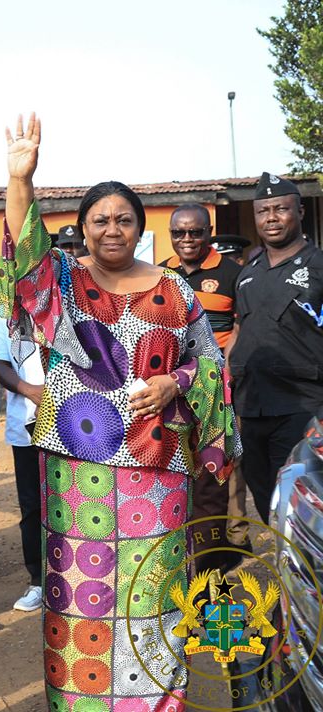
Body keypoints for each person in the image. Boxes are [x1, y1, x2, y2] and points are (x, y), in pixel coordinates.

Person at [0, 114, 239, 710]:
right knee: (83, 596)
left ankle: (156, 700)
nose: (111, 229)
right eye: (98, 220)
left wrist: (173, 382)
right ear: (79, 231)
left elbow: (212, 367)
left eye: (123, 219)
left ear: (139, 227)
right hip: (79, 475)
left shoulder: (176, 292)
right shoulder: (64, 285)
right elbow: (23, 260)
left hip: (157, 473)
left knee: (150, 594)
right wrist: (20, 180)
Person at [228, 172, 323, 523]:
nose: (271, 217)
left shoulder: (318, 266)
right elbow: (240, 329)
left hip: (303, 404)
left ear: (299, 211)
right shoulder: (248, 271)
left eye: (280, 208)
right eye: (263, 210)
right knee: (265, 495)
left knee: (301, 499)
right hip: (252, 406)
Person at [162, 204, 249, 570]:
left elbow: (242, 325)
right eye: (179, 233)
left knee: (218, 480)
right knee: (175, 479)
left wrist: (224, 368)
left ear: (208, 232)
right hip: (172, 393)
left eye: (195, 232)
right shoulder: (161, 273)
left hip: (218, 393)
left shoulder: (232, 274)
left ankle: (216, 569)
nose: (187, 240)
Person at [0, 314, 45, 612]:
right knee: (33, 506)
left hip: (79, 421)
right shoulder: (7, 309)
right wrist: (30, 391)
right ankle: (38, 580)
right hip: (28, 423)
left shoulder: (76, 293)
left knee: (80, 500)